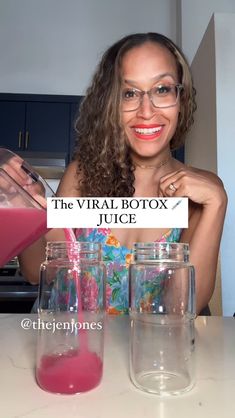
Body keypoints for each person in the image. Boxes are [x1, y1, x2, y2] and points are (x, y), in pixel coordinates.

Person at [16, 32, 227, 315]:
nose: (147, 111)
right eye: (129, 93)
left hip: (146, 352)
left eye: (162, 89)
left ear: (181, 97)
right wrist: (25, 209)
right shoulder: (82, 175)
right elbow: (34, 271)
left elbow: (182, 309)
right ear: (111, 105)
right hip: (72, 349)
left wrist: (218, 204)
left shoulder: (200, 192)